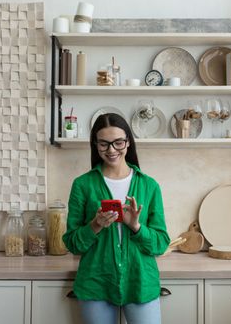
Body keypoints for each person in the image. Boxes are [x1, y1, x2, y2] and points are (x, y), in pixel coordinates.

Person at [63, 113, 170, 324]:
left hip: (140, 281)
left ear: (128, 142)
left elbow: (161, 243)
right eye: (104, 144)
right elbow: (72, 243)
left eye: (118, 142)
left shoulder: (149, 186)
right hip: (96, 281)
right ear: (95, 145)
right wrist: (95, 225)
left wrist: (136, 227)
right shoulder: (82, 185)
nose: (111, 150)